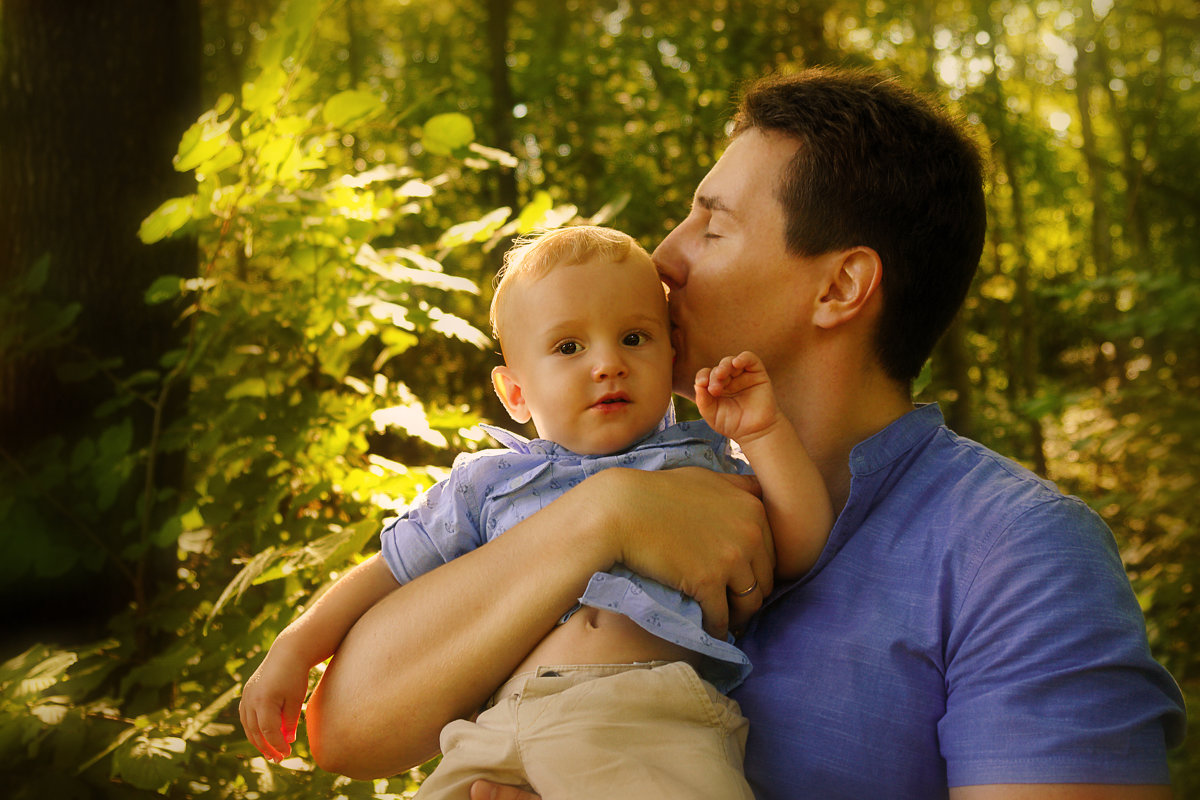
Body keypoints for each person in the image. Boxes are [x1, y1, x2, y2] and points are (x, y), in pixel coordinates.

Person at [304, 67, 1186, 799]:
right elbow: (342, 729)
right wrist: (601, 519)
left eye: (711, 226)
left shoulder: (1018, 554)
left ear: (840, 289)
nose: (664, 256)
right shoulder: (606, 479)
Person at [239, 225, 834, 798]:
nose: (608, 363)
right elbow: (386, 571)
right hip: (490, 733)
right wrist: (292, 650)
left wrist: (763, 434)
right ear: (515, 393)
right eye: (569, 346)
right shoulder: (485, 483)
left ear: (671, 352)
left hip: (646, 722)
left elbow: (800, 541)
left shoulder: (699, 461)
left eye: (634, 338)